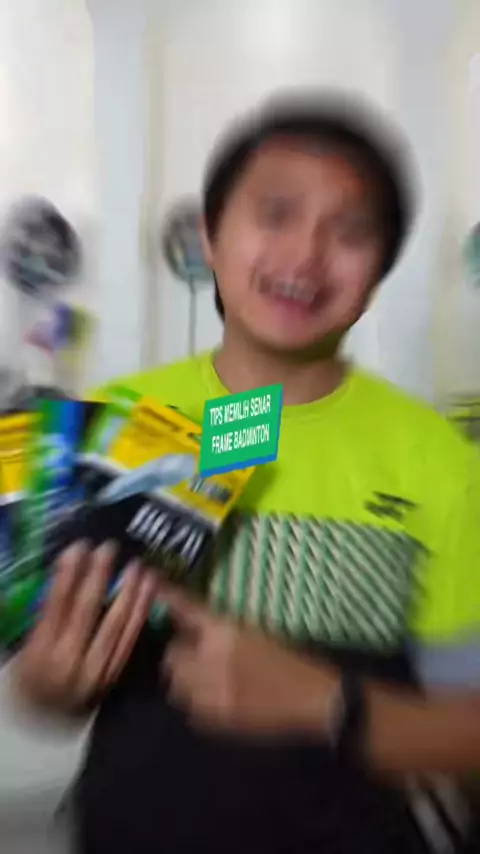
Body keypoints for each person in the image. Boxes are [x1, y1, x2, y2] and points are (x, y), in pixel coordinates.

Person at [10, 94, 480, 854]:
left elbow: (469, 731)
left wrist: (327, 703)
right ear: (211, 236)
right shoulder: (112, 420)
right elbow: (47, 687)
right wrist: (49, 685)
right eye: (275, 213)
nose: (305, 256)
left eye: (350, 232)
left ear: (379, 272)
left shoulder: (440, 460)